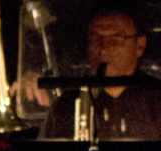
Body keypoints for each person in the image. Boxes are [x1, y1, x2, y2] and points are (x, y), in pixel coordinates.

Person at [40, 5, 161, 141]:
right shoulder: (65, 107)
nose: (103, 49)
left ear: (139, 46)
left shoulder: (157, 101)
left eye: (115, 39)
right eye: (95, 39)